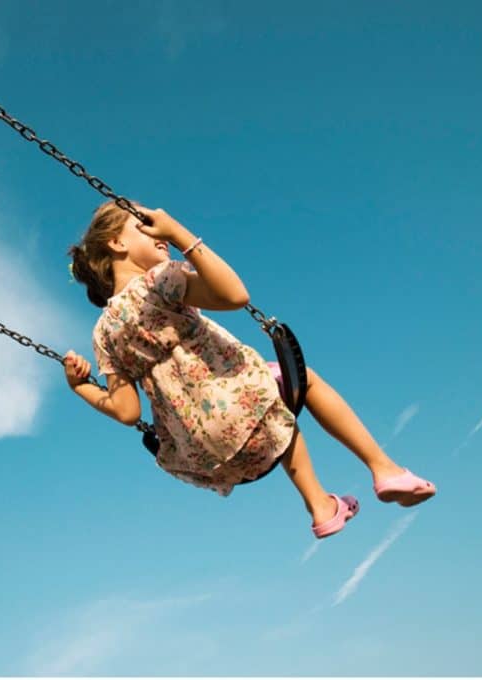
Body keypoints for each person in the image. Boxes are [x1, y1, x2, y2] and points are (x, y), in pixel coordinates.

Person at [65, 201, 436, 539]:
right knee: (301, 383)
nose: (157, 231)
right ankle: (383, 468)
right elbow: (235, 296)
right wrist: (179, 233)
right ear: (117, 243)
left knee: (274, 412)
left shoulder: (102, 334)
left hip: (200, 450)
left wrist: (81, 387)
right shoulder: (160, 281)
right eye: (143, 223)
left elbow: (127, 412)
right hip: (236, 400)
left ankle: (321, 507)